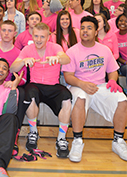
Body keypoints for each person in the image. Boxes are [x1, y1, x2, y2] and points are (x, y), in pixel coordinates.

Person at [62, 16, 127, 162]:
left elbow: (113, 70)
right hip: (78, 85)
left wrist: (112, 80)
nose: (85, 31)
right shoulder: (72, 51)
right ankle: (78, 141)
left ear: (96, 31)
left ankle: (118, 141)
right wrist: (82, 84)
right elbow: (68, 77)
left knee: (122, 99)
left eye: (89, 28)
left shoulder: (104, 49)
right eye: (83, 28)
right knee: (80, 97)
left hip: (100, 86)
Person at [10, 22, 72, 158]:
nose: (39, 40)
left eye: (42, 37)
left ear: (48, 37)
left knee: (67, 98)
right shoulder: (27, 49)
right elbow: (12, 68)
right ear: (32, 36)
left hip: (53, 85)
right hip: (35, 84)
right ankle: (33, 133)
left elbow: (66, 59)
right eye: (36, 36)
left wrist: (58, 58)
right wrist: (23, 61)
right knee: (29, 94)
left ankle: (61, 139)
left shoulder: (55, 47)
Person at [115, 13, 127, 87]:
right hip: (124, 65)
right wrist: (125, 62)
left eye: (126, 21)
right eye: (121, 20)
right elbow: (117, 55)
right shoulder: (114, 36)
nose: (123, 23)